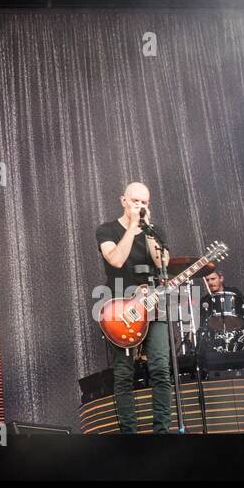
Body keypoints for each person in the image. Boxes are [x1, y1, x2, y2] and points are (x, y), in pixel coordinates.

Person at [96, 181, 173, 434]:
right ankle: (129, 434)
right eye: (135, 201)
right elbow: (116, 259)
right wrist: (131, 228)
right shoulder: (106, 230)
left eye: (145, 202)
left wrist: (147, 232)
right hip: (121, 310)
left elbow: (163, 263)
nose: (140, 206)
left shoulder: (155, 231)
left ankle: (161, 432)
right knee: (124, 373)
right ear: (123, 201)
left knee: (161, 368)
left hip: (153, 306)